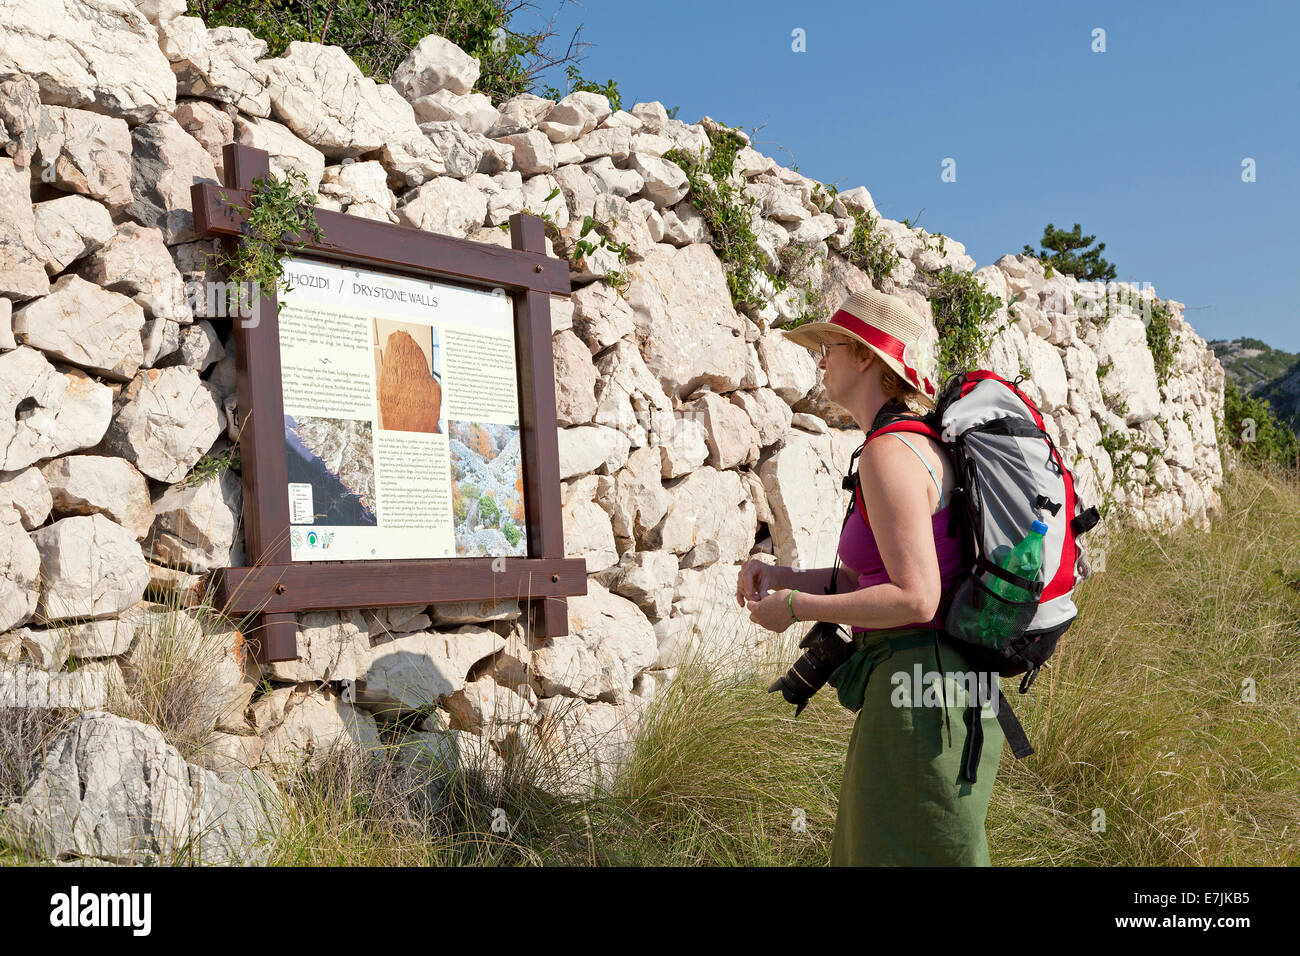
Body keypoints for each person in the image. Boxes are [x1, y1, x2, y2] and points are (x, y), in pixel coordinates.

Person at [734, 287, 1005, 866]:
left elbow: (915, 596)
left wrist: (795, 609)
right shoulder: (910, 444)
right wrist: (785, 576)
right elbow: (871, 577)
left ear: (866, 359)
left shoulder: (890, 452)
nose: (820, 358)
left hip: (921, 696)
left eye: (829, 345)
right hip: (935, 689)